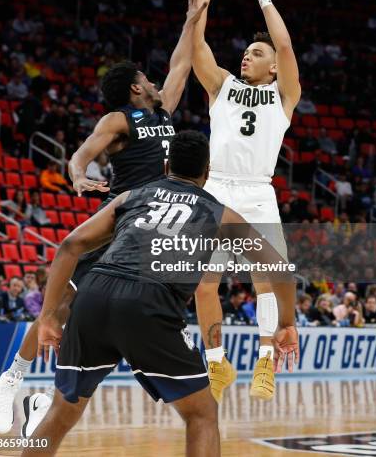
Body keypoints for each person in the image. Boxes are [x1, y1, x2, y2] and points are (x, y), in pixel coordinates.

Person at [0, 0, 209, 437]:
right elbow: (81, 153)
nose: (153, 81)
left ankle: (136, 358)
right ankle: (13, 376)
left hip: (156, 224)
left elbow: (181, 64)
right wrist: (76, 174)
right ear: (134, 87)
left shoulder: (163, 109)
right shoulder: (118, 120)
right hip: (120, 225)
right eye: (146, 78)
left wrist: (193, 16)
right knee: (63, 304)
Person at [21, 131, 298, 457]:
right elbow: (279, 270)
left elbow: (70, 245)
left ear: (166, 165)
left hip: (93, 295)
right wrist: (286, 323)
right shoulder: (221, 214)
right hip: (149, 302)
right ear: (206, 172)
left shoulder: (132, 196)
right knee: (202, 414)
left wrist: (50, 315)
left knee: (62, 410)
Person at [192, 0, 301, 400]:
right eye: (247, 51)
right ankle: (217, 366)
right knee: (203, 284)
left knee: (267, 281)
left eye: (257, 53)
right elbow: (196, 45)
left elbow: (287, 46)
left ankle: (264, 363)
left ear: (273, 68)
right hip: (216, 186)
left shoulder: (283, 96)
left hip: (258, 190)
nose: (247, 55)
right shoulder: (221, 86)